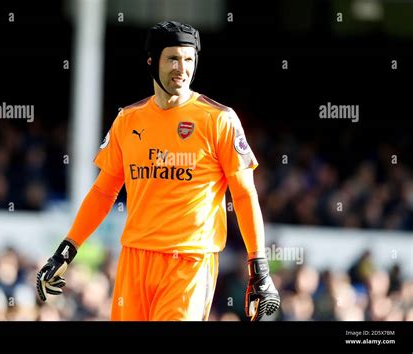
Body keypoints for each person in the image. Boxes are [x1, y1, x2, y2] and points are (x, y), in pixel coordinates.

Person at [37, 21, 280, 321]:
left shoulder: (220, 120)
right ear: (152, 61)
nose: (182, 68)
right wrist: (67, 249)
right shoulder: (128, 120)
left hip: (189, 262)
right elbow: (103, 191)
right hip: (134, 260)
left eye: (189, 59)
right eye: (173, 59)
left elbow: (244, 195)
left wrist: (259, 266)